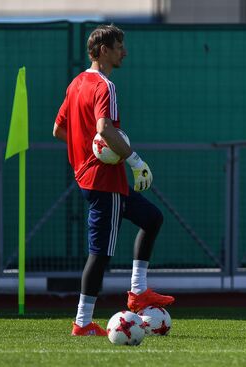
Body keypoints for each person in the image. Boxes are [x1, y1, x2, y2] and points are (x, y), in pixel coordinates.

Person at [53, 24, 174, 336]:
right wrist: (134, 161)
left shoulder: (76, 82)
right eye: (120, 46)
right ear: (104, 50)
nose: (125, 52)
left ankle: (137, 292)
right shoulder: (104, 86)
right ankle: (82, 323)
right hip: (104, 182)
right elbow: (105, 129)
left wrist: (85, 150)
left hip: (93, 178)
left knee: (152, 218)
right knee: (100, 253)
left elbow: (59, 129)